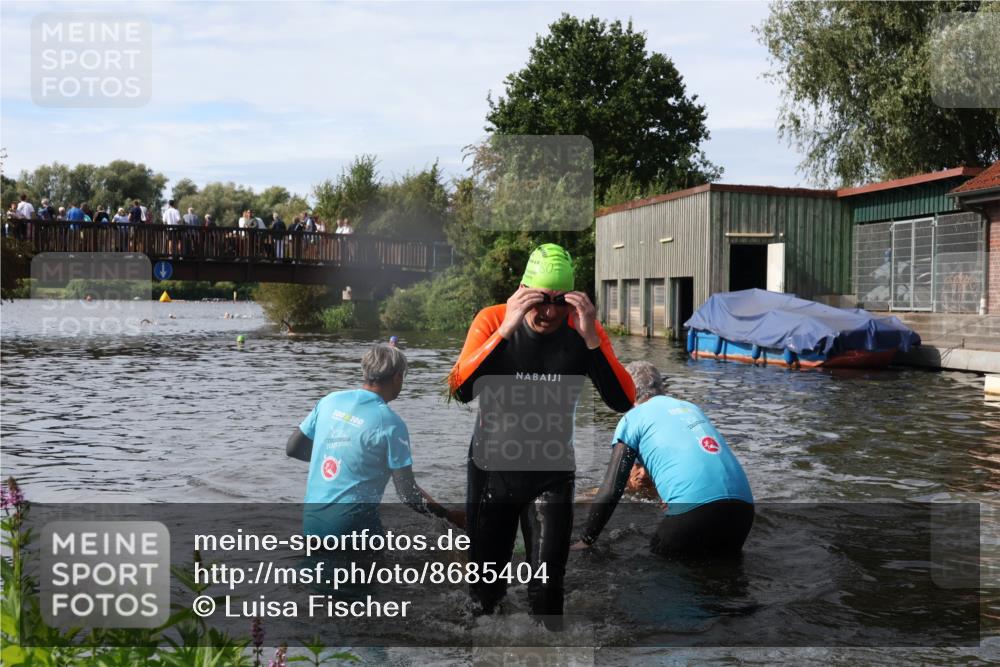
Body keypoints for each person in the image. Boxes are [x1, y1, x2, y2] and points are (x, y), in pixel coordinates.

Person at [448, 243, 635, 629]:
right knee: (485, 598)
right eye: (539, 300)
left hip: (551, 475)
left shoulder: (582, 330)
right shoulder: (492, 319)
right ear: (522, 291)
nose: (549, 312)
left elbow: (622, 400)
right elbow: (459, 389)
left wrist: (591, 339)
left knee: (548, 595)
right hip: (491, 474)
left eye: (559, 301)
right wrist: (505, 330)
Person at [572, 361, 754, 557]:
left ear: (626, 390)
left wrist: (586, 539)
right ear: (661, 387)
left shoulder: (633, 418)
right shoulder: (691, 408)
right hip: (743, 511)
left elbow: (610, 490)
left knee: (657, 566)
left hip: (695, 512)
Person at [287, 344, 463, 537]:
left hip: (311, 527)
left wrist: (338, 456)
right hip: (352, 530)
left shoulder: (330, 400)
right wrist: (447, 516)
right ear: (397, 377)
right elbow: (407, 493)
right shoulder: (391, 423)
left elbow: (293, 448)